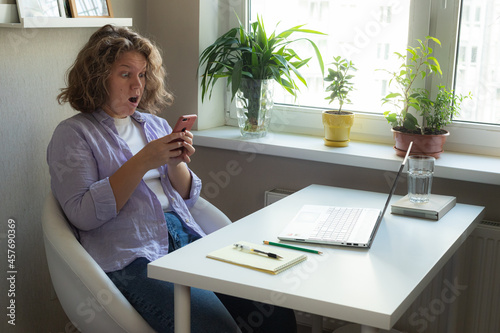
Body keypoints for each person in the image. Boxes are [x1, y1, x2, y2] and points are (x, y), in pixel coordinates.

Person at [47, 24, 297, 333]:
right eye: (125, 74)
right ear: (98, 78)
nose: (136, 85)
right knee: (216, 328)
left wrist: (177, 163)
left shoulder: (155, 125)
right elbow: (82, 215)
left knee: (274, 310)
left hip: (185, 238)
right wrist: (142, 162)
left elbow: (189, 198)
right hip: (130, 257)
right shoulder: (74, 135)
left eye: (141, 75)